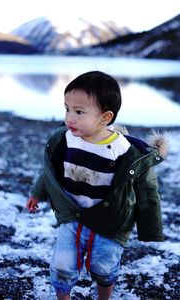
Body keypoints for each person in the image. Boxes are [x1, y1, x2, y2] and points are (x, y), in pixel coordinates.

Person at [26, 71, 167, 300]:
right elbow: (51, 171)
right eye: (67, 108)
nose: (69, 117)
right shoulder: (66, 139)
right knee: (62, 266)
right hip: (72, 215)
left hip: (108, 222)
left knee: (103, 268)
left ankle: (104, 297)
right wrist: (37, 193)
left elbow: (147, 190)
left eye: (79, 112)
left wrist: (151, 229)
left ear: (105, 117)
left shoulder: (125, 152)